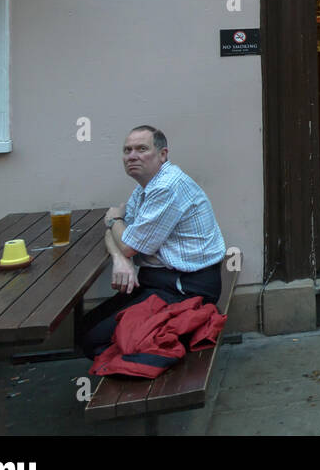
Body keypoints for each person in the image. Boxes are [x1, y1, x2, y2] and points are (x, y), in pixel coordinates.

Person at [77, 126, 227, 358]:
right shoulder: (145, 187)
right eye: (127, 150)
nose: (132, 156)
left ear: (162, 154)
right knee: (86, 328)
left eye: (141, 149)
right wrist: (120, 259)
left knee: (93, 340)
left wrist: (114, 220)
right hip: (160, 281)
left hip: (186, 288)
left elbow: (124, 238)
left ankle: (148, 374)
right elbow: (116, 234)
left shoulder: (166, 187)